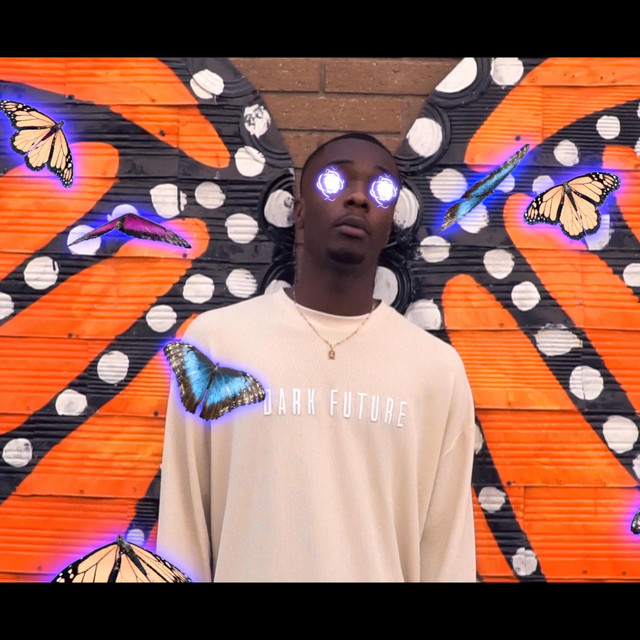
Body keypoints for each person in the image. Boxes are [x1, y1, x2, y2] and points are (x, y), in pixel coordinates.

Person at [156, 132, 477, 582]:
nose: (359, 197)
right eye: (334, 181)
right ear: (300, 211)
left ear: (391, 223)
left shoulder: (436, 370)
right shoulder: (218, 343)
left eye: (381, 189)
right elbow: (183, 525)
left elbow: (447, 554)